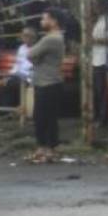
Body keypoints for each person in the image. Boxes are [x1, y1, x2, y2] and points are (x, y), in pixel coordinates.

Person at [29, 10, 66, 162]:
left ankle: (45, 148)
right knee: (48, 117)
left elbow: (30, 54)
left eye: (44, 19)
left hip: (47, 82)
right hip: (49, 81)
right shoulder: (57, 37)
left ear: (54, 21)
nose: (41, 22)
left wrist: (36, 57)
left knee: (42, 117)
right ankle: (48, 149)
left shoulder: (50, 39)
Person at [90, 0, 108, 126]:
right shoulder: (99, 19)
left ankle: (103, 119)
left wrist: (96, 41)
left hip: (104, 60)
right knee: (97, 90)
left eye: (96, 5)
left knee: (102, 91)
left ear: (103, 6)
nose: (94, 8)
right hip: (96, 59)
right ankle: (98, 117)